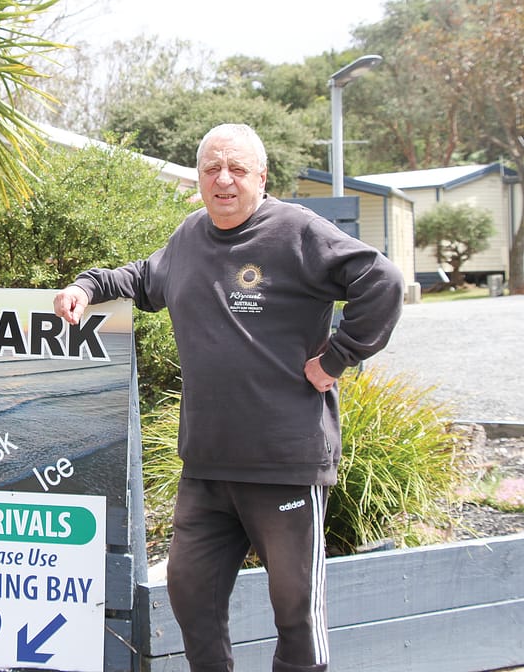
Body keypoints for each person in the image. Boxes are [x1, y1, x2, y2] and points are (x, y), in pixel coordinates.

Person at [53, 123, 405, 672]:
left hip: (284, 464)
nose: (223, 179)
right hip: (208, 467)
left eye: (237, 168)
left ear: (261, 177)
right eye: (211, 168)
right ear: (198, 177)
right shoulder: (189, 236)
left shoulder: (296, 231)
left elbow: (382, 281)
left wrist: (337, 358)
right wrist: (85, 286)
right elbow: (141, 278)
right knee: (190, 594)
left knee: (296, 613)